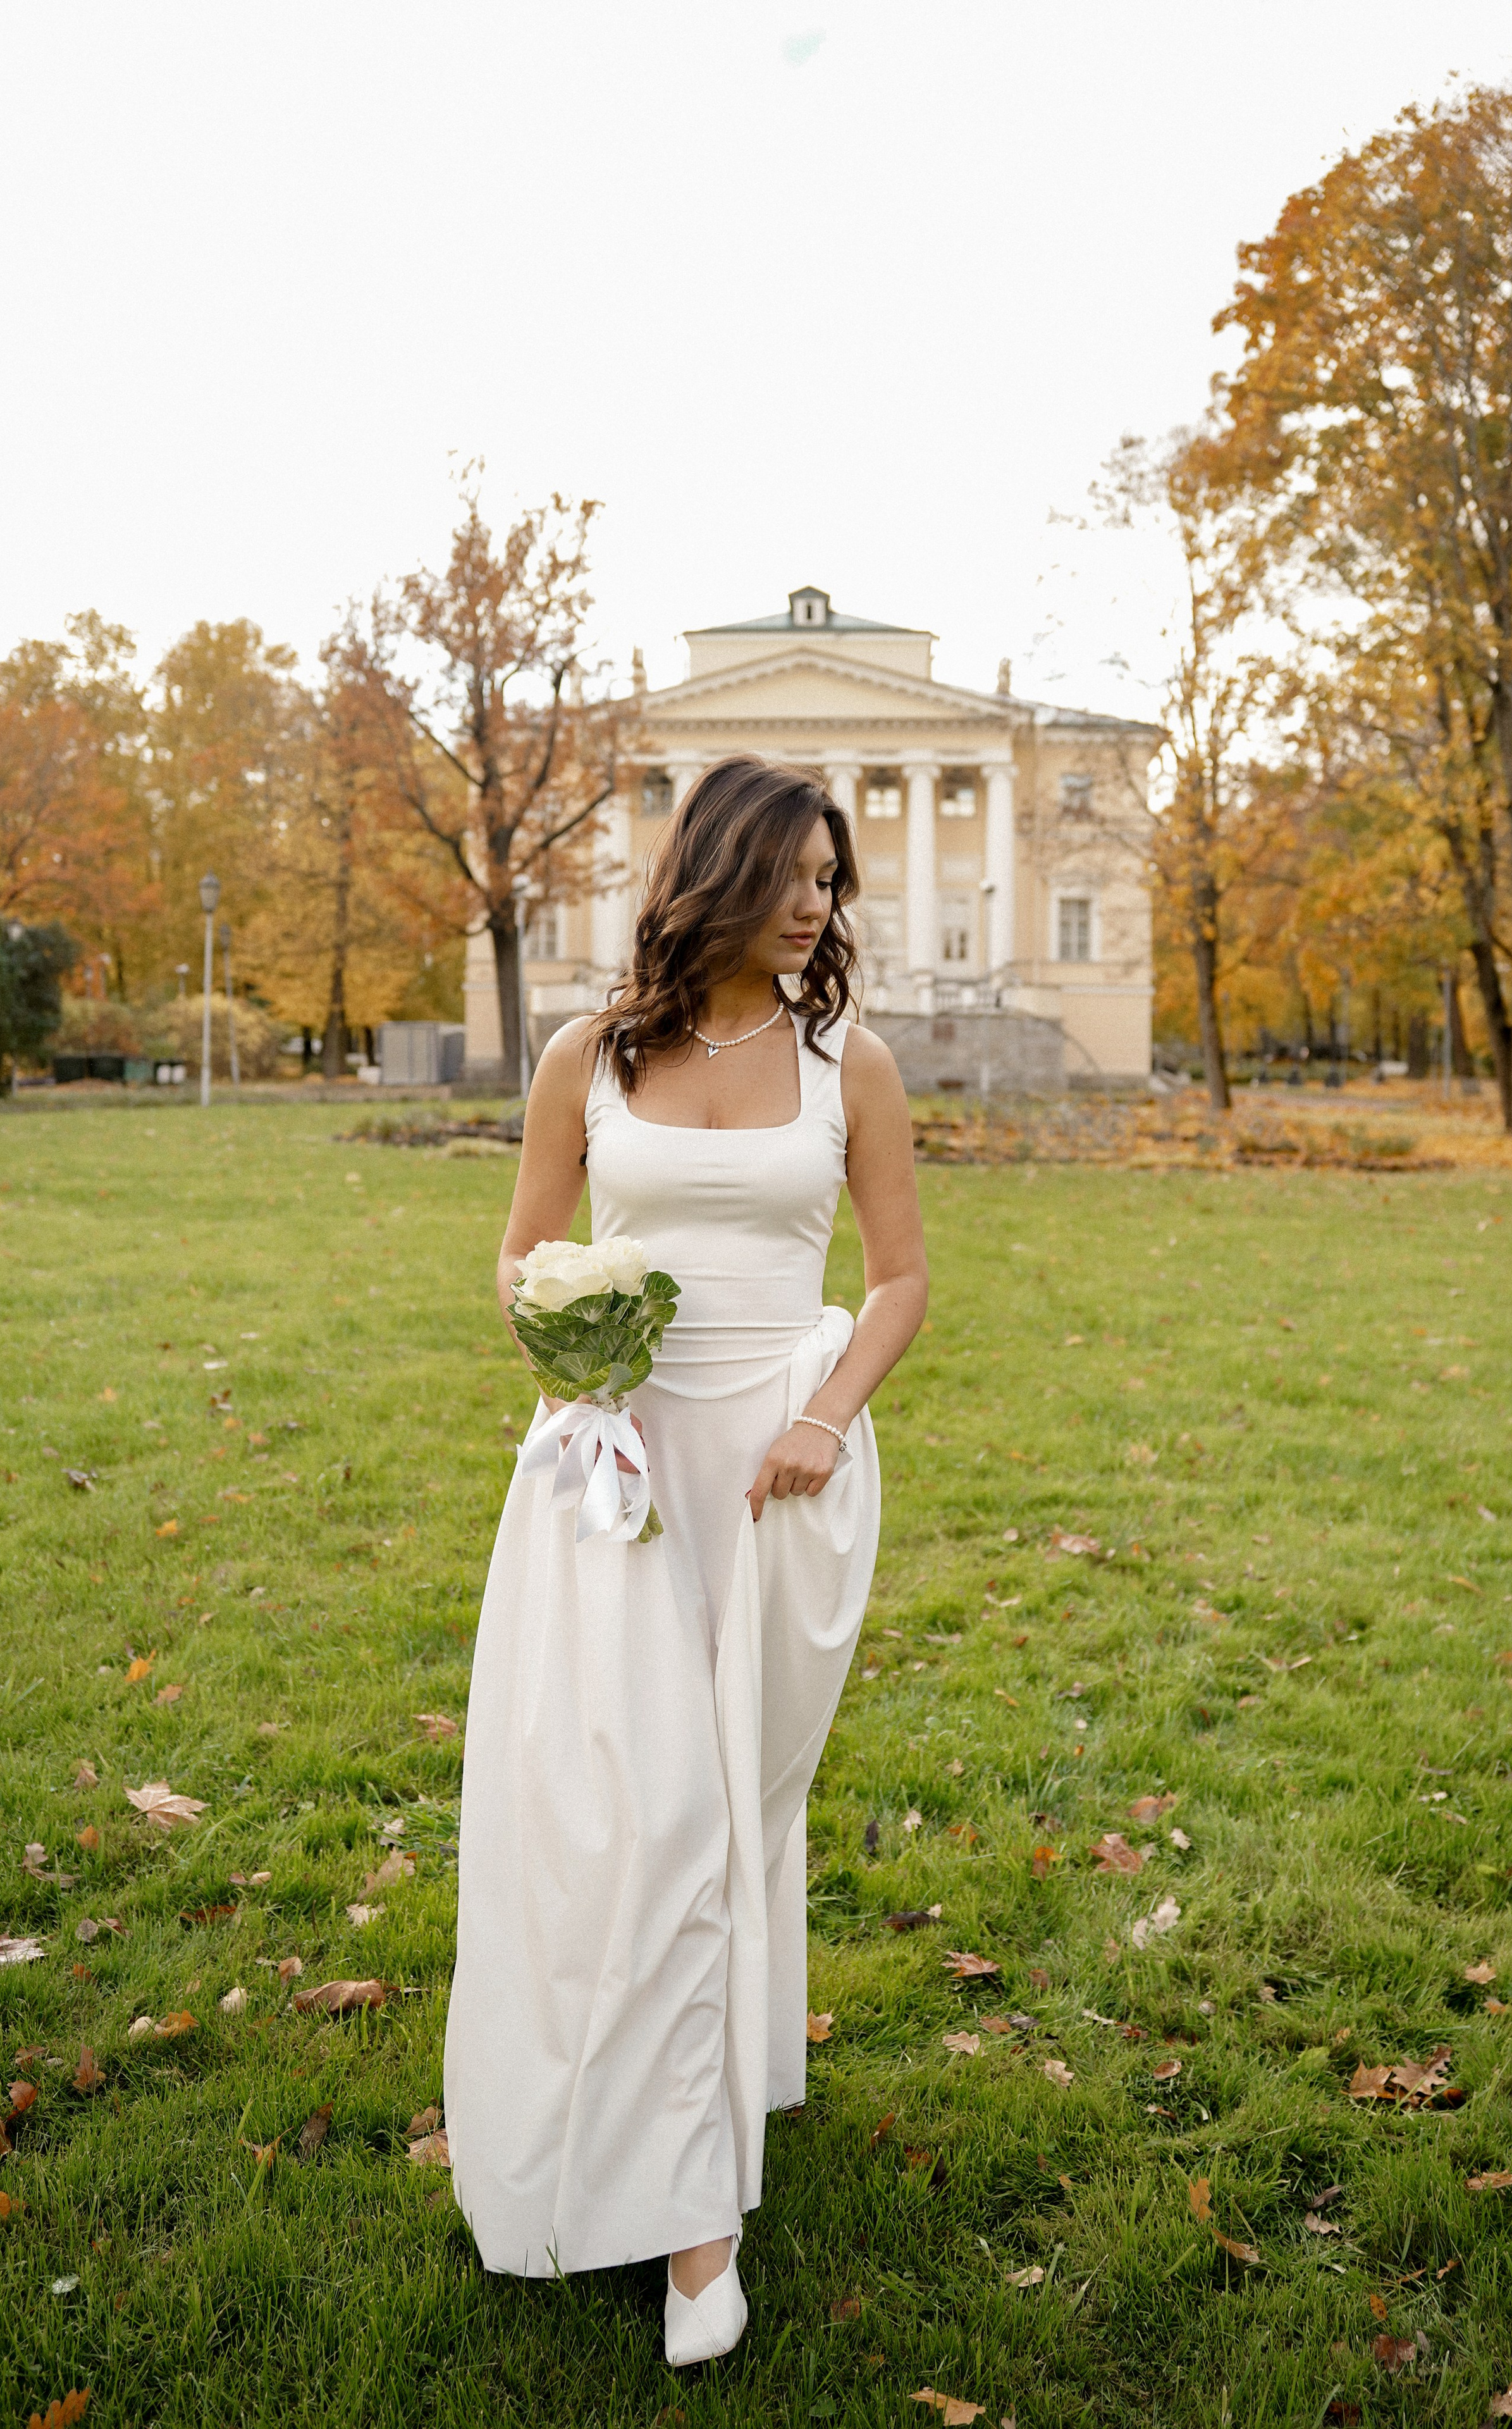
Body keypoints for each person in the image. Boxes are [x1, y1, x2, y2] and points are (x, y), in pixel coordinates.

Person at [443, 755, 929, 2364]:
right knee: (637, 1814)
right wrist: (561, 1348)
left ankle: (712, 2102)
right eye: (795, 875)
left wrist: (828, 1416)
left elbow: (902, 1279)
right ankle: (693, 2235)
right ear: (720, 869)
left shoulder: (843, 1060)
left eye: (830, 882)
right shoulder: (587, 1052)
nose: (819, 905)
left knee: (730, 1810)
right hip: (614, 1472)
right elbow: (520, 1250)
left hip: (777, 1473)